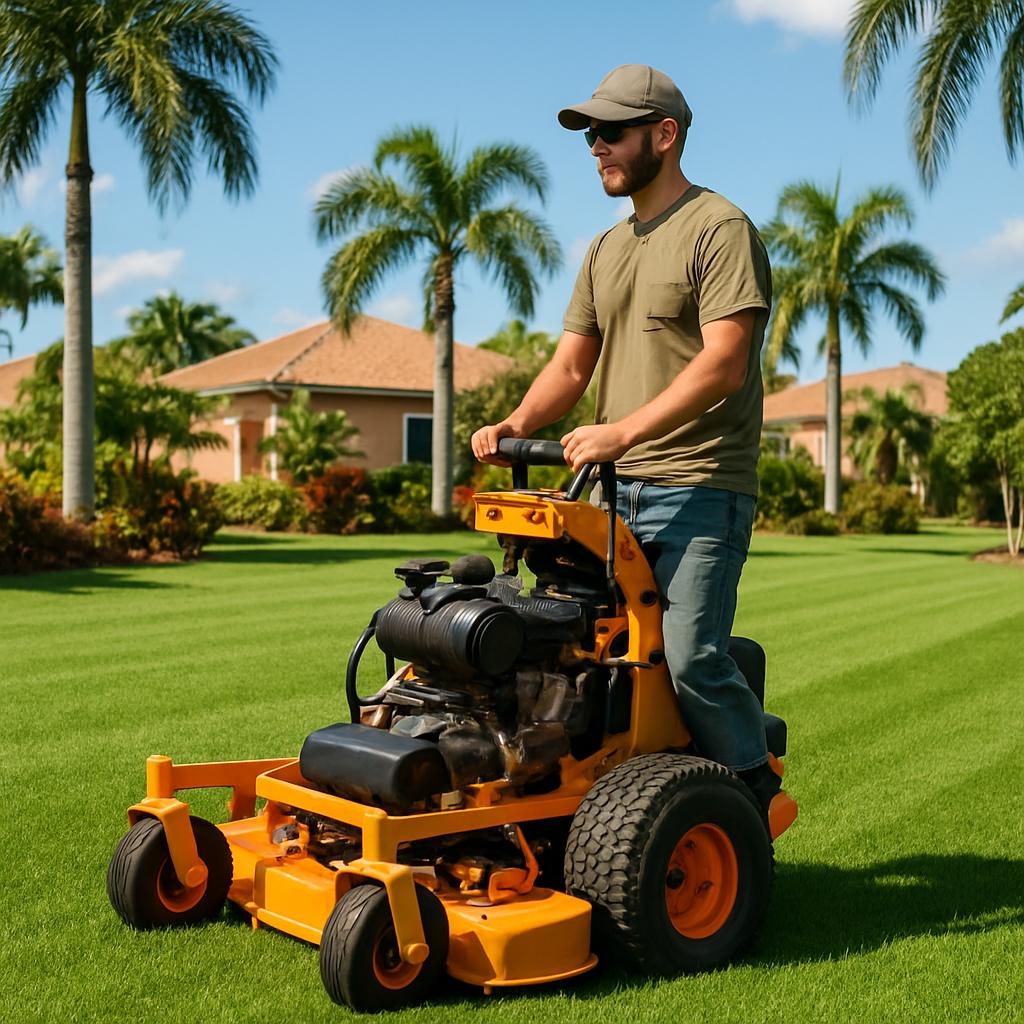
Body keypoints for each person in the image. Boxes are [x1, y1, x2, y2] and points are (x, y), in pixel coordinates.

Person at [470, 64, 780, 817]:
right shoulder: (606, 249)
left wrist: (624, 431)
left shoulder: (719, 228)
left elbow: (724, 361)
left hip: (701, 485)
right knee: (584, 656)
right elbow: (571, 365)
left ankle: (748, 800)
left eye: (611, 132)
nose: (597, 148)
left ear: (664, 135)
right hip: (611, 495)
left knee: (690, 657)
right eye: (591, 136)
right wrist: (517, 424)